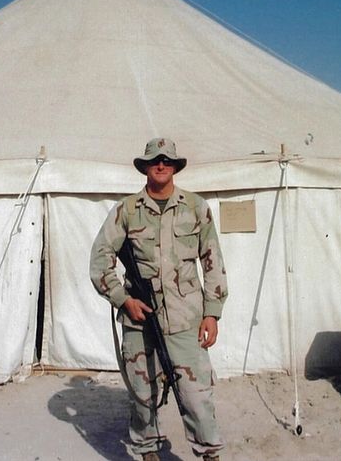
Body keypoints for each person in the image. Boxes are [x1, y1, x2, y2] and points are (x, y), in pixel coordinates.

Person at [90, 138, 228, 461]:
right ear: (146, 167)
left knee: (196, 396)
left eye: (167, 160)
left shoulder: (196, 208)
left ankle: (209, 454)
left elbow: (213, 262)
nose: (161, 164)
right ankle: (148, 453)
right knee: (142, 396)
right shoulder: (126, 211)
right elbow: (100, 258)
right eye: (155, 160)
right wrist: (124, 300)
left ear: (176, 166)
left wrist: (212, 313)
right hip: (139, 321)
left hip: (185, 321)